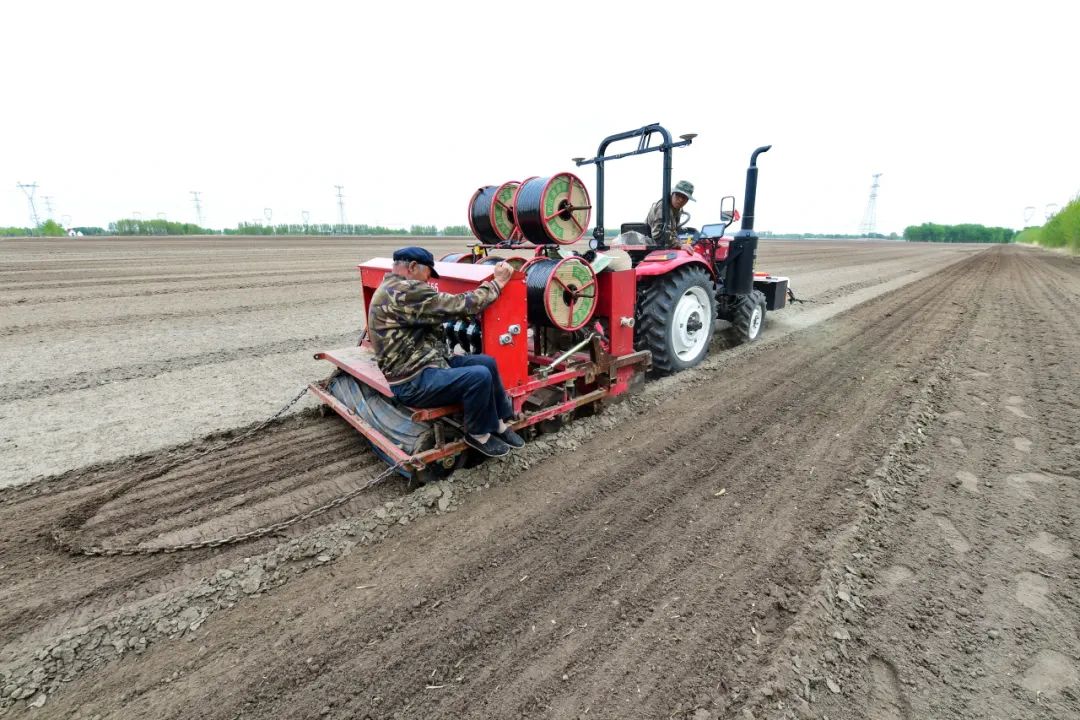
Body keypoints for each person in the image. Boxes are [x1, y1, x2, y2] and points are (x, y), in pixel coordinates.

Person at [367, 246, 524, 458]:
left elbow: (440, 311)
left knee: (487, 362)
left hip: (426, 362)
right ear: (413, 267)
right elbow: (459, 304)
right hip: (412, 381)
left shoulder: (391, 286)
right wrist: (497, 284)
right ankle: (477, 434)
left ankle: (498, 422)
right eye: (428, 274)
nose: (428, 279)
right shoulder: (405, 291)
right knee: (479, 376)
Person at [646, 179, 696, 248]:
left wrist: (681, 243)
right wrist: (680, 245)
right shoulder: (663, 207)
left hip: (663, 245)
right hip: (652, 245)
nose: (680, 200)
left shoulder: (677, 210)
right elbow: (657, 234)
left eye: (684, 197)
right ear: (672, 194)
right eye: (678, 195)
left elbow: (673, 232)